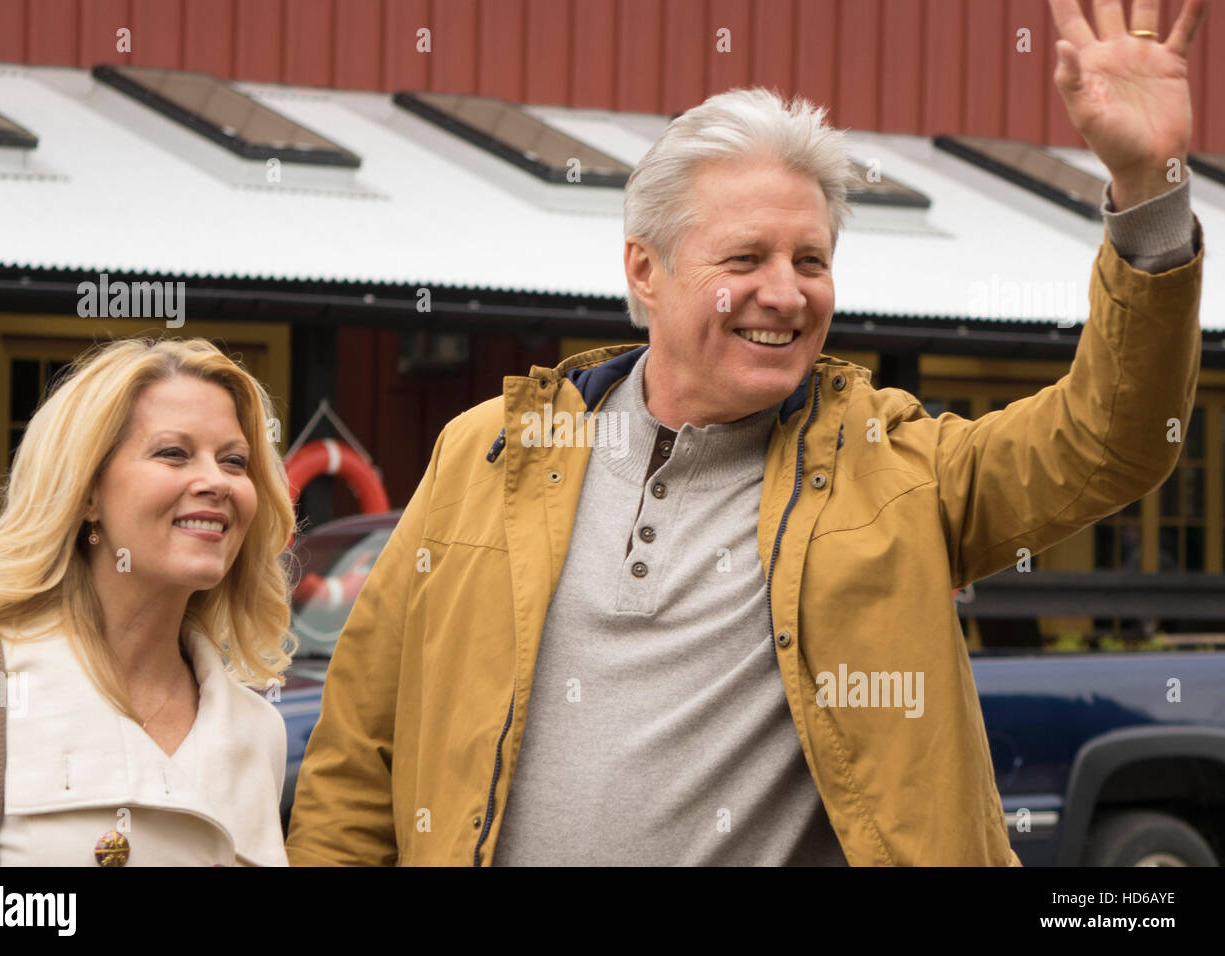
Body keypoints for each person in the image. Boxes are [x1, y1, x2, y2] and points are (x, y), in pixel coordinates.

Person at [286, 0, 1207, 866]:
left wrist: (1147, 187)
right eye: (746, 257)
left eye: (811, 260)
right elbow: (358, 748)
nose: (787, 291)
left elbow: (1111, 439)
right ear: (645, 271)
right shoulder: (485, 451)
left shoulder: (895, 466)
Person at [0, 337, 297, 866]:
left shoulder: (257, 729)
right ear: (87, 492)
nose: (217, 481)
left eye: (235, 461)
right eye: (174, 453)